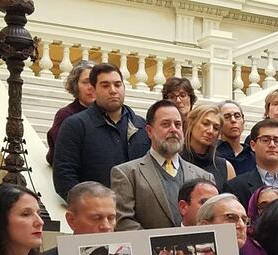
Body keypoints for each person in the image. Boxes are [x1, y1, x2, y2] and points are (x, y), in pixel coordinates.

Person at [112, 99, 215, 231]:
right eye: (166, 124)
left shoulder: (205, 177)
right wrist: (161, 247)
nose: (173, 129)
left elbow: (213, 220)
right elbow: (123, 222)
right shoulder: (126, 174)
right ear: (149, 131)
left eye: (178, 125)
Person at [53, 63, 150, 199]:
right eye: (105, 85)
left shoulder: (142, 126)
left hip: (138, 214)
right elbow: (64, 176)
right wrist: (90, 209)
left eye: (117, 84)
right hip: (96, 214)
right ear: (94, 89)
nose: (113, 90)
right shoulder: (75, 125)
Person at [46, 60, 95, 164]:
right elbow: (64, 155)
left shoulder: (107, 114)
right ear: (75, 85)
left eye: (94, 82)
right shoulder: (65, 115)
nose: (91, 87)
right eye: (85, 82)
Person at [182, 104, 236, 185]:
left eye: (216, 128)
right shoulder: (175, 160)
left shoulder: (226, 167)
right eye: (205, 124)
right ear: (191, 123)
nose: (210, 131)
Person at [240, 185, 278, 255]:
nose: (270, 210)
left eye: (276, 204)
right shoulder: (243, 240)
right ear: (254, 209)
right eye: (264, 206)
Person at [217, 100, 255, 175]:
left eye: (237, 116)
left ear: (243, 122)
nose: (233, 120)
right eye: (227, 117)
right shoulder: (212, 154)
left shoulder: (253, 156)